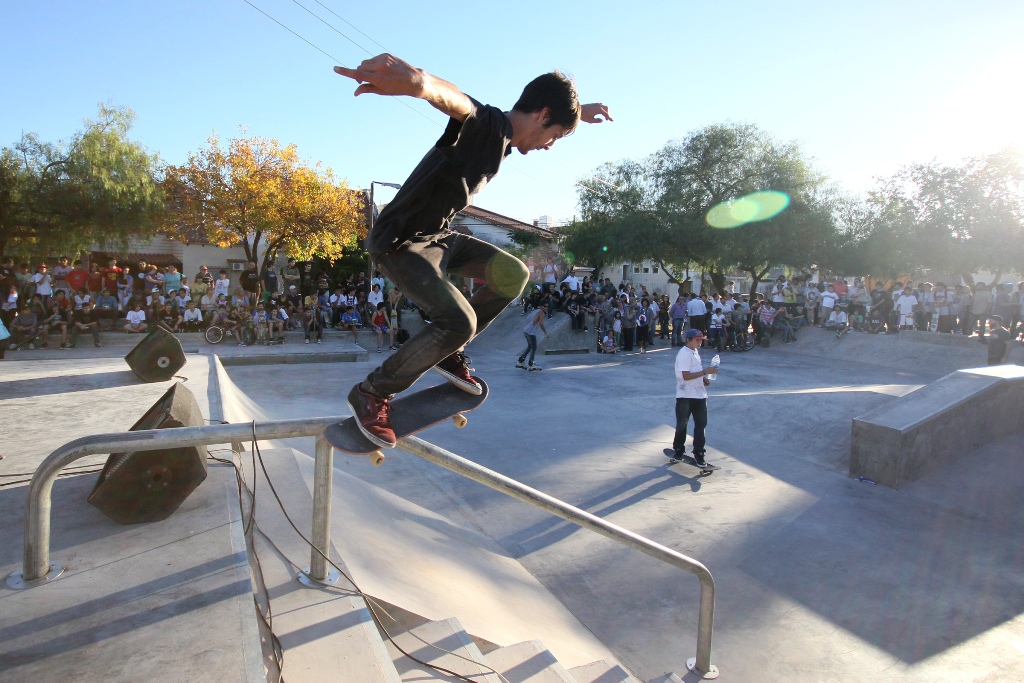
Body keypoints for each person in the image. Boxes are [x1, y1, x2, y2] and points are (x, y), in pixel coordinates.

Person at [334, 53, 611, 448]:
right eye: (554, 135)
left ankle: (448, 352)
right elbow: (459, 102)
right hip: (399, 242)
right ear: (542, 114)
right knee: (458, 320)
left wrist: (578, 112)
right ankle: (373, 392)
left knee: (513, 273)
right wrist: (420, 82)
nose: (550, 145)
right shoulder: (491, 126)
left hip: (437, 237)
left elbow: (538, 117)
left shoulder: (508, 133)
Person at [670, 329, 717, 467]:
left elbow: (694, 372)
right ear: (688, 340)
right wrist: (704, 372)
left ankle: (699, 453)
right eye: (697, 340)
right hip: (685, 395)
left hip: (699, 394)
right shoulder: (684, 353)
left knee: (701, 425)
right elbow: (685, 376)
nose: (699, 342)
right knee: (682, 424)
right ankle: (678, 450)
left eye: (701, 340)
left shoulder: (695, 352)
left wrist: (703, 379)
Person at [517, 302, 550, 370]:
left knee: (530, 347)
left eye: (547, 306)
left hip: (526, 330)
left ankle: (520, 361)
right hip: (530, 332)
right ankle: (531, 363)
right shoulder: (541, 312)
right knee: (534, 348)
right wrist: (545, 332)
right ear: (541, 306)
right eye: (545, 306)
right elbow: (541, 323)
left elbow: (528, 318)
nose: (546, 308)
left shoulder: (535, 311)